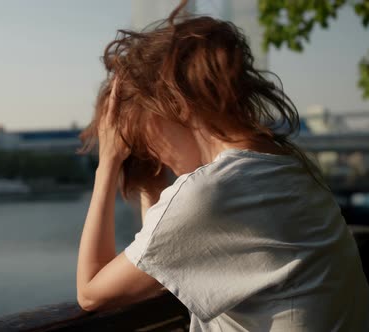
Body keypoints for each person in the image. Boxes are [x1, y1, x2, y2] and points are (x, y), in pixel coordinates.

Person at [75, 1, 369, 331]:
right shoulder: (288, 166)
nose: (153, 155)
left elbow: (90, 292)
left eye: (143, 139)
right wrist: (150, 181)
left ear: (176, 106)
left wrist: (108, 164)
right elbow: (167, 260)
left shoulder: (211, 192)